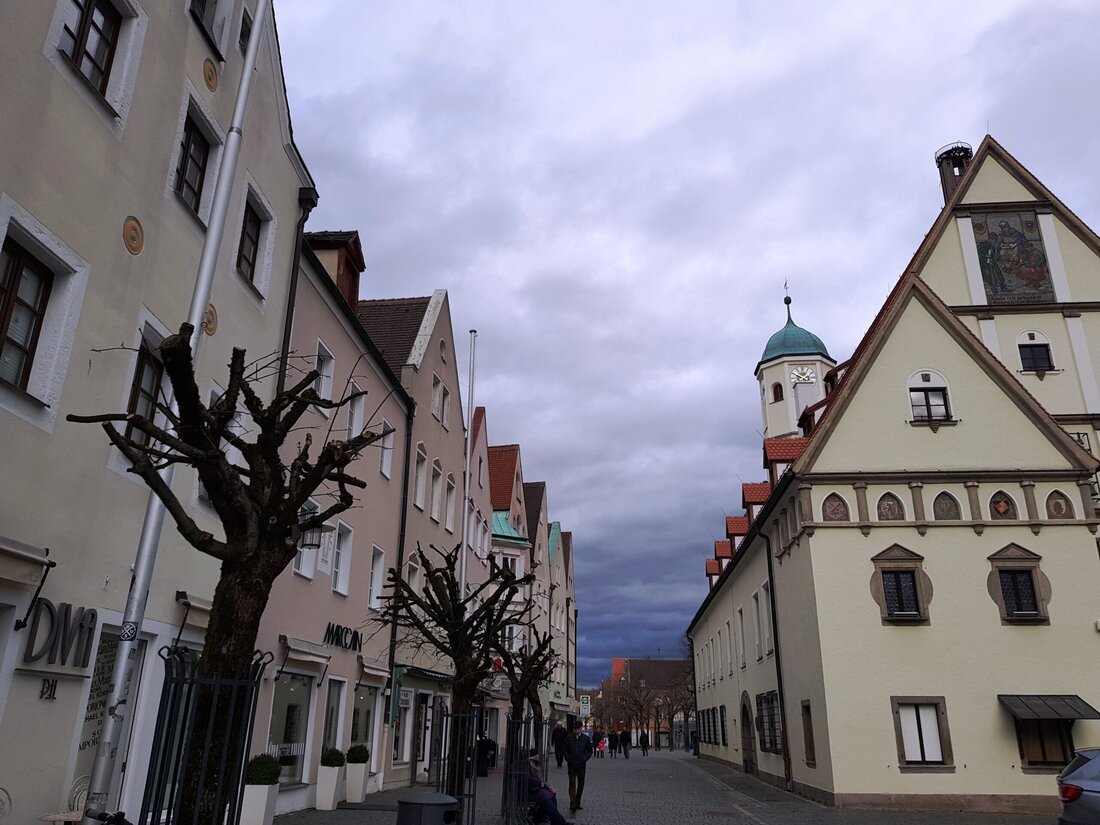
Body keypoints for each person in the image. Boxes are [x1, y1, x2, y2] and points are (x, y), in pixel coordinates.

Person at [527, 749, 572, 825]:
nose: (539, 757)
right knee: (546, 797)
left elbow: (538, 779)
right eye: (537, 755)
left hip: (535, 788)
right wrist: (542, 784)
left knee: (551, 794)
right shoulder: (530, 765)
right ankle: (559, 822)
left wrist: (547, 786)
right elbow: (533, 780)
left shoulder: (532, 764)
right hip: (531, 790)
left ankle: (552, 819)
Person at [563, 720, 593, 813]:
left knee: (581, 784)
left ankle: (578, 802)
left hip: (581, 765)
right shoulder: (569, 738)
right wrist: (568, 759)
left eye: (578, 729)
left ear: (581, 729)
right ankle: (573, 803)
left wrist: (584, 759)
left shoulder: (585, 738)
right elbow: (565, 750)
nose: (577, 731)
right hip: (571, 764)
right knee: (572, 783)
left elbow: (590, 751)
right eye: (575, 729)